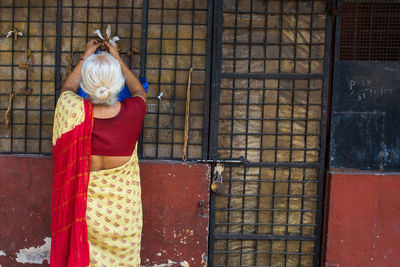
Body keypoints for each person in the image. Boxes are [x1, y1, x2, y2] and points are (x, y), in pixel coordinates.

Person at [50, 39, 146, 267]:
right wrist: (119, 60)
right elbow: (139, 91)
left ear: (86, 82)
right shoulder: (134, 112)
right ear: (118, 82)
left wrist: (85, 57)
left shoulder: (71, 109)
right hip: (123, 215)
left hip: (85, 212)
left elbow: (67, 90)